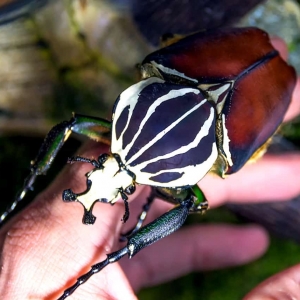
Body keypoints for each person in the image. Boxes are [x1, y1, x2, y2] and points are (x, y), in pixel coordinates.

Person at [0, 38, 299, 300]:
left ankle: (35, 182)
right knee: (191, 200)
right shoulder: (164, 72)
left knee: (193, 198)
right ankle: (36, 182)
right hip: (234, 81)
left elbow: (72, 125)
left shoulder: (162, 72)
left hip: (235, 76)